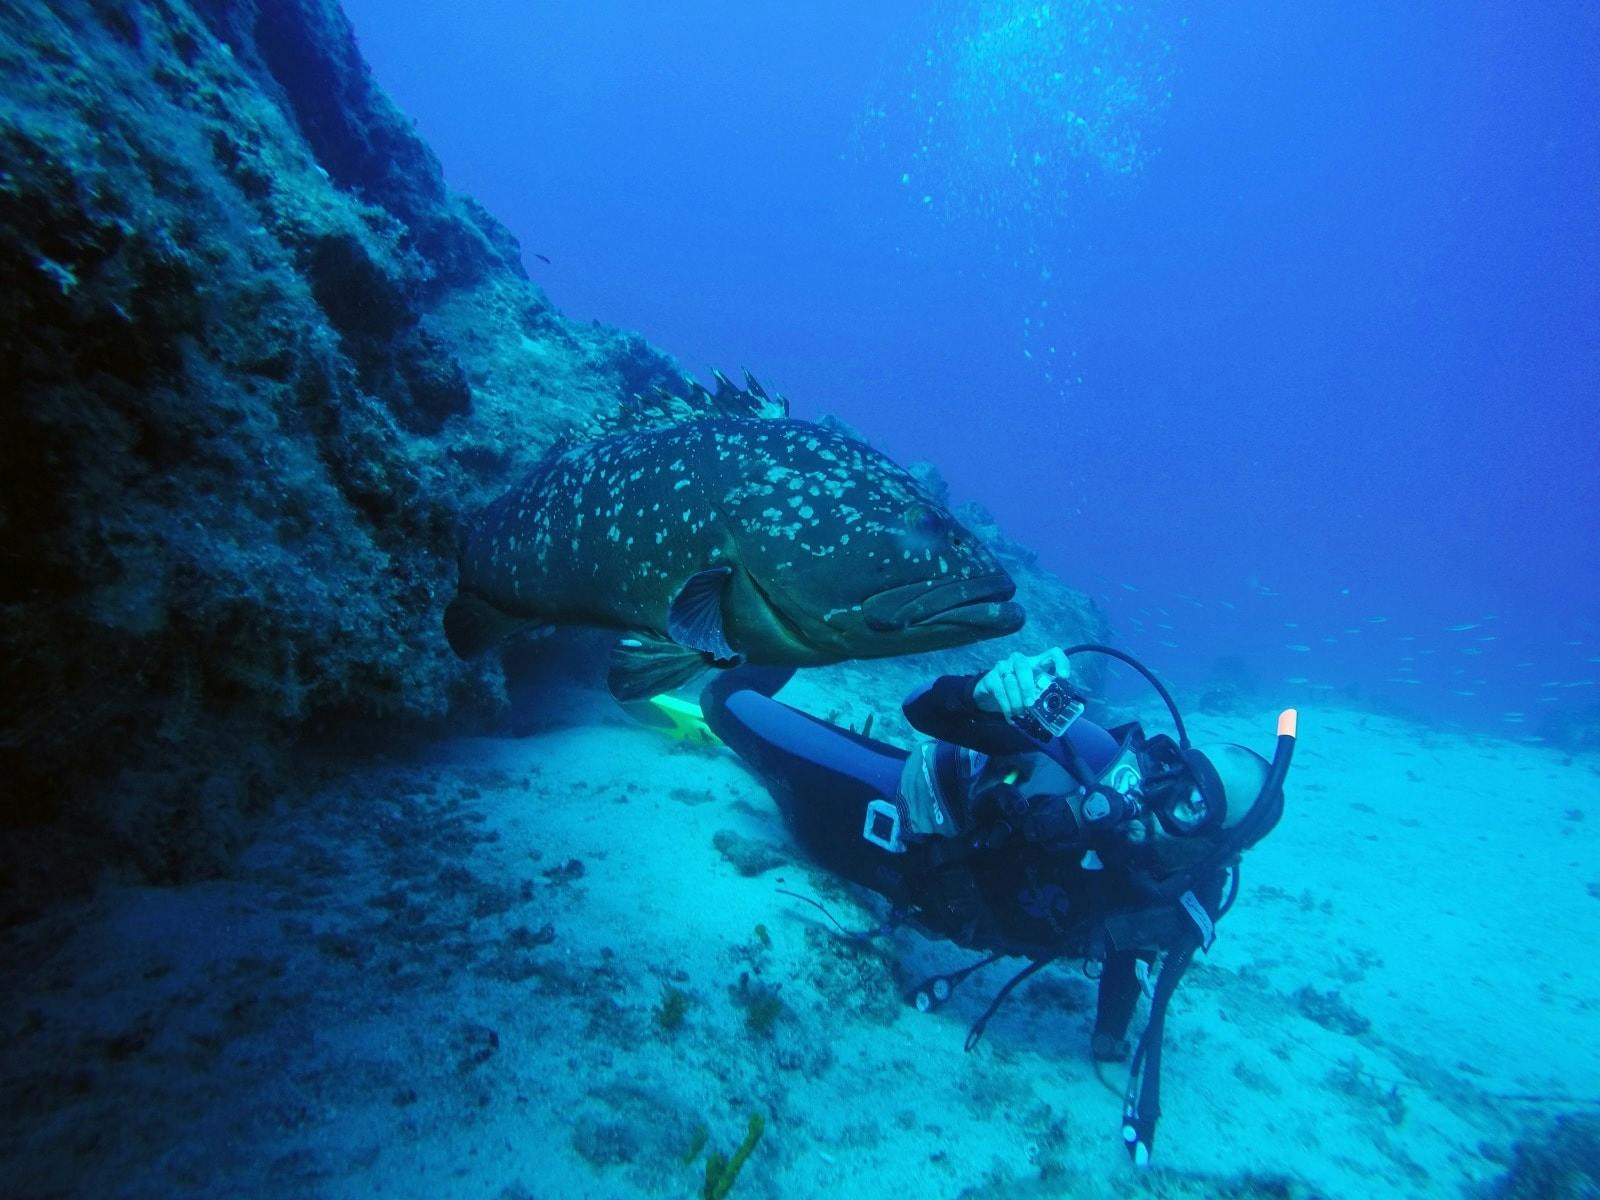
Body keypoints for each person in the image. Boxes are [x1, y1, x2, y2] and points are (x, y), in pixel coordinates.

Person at [697, 643, 1296, 1164]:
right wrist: (981, 694)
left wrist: (1108, 1040)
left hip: (930, 903)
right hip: (887, 806)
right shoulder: (1085, 750)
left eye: (1193, 804)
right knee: (725, 703)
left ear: (1217, 850)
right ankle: (793, 640)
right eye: (1172, 767)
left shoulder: (1184, 901)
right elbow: (922, 709)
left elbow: (1134, 953)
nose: (1159, 792)